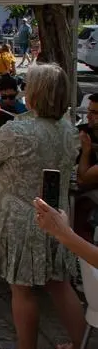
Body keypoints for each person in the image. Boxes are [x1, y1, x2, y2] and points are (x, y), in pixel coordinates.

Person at [0, 63, 89, 349]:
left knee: (22, 288)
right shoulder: (67, 129)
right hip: (55, 214)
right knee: (60, 284)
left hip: (20, 215)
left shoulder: (19, 131)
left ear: (34, 93)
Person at [73, 94, 98, 240]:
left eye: (94, 113)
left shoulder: (85, 139)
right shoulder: (83, 131)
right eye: (89, 111)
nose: (88, 116)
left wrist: (86, 151)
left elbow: (84, 178)